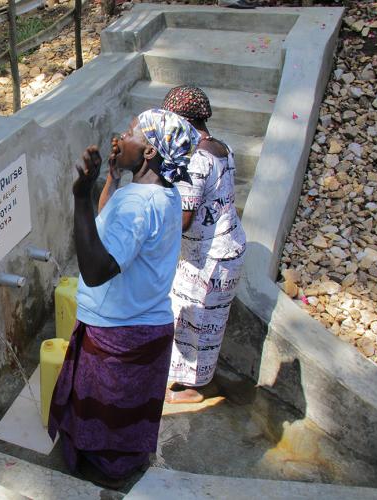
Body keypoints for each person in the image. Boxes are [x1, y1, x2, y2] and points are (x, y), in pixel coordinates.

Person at [48, 109, 200, 487]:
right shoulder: (161, 193)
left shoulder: (138, 204)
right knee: (125, 423)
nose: (122, 136)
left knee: (102, 428)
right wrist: (111, 180)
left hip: (117, 333)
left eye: (132, 132)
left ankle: (101, 483)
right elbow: (107, 228)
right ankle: (120, 473)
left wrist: (80, 196)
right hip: (146, 325)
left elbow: (96, 270)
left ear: (149, 152)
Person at [161, 86, 246, 404]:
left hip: (207, 260)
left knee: (191, 320)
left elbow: (183, 218)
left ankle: (190, 389)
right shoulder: (221, 147)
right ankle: (191, 380)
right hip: (224, 251)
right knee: (204, 322)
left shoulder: (194, 159)